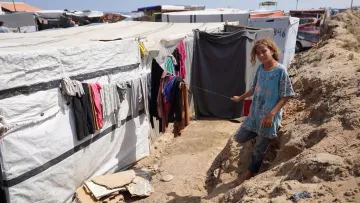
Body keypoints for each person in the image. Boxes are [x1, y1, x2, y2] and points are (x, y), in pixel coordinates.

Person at [231, 39, 295, 186]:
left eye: (264, 51)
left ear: (272, 50)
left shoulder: (280, 70)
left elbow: (286, 95)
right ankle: (262, 135)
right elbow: (254, 88)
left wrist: (272, 114)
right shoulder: (260, 69)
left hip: (269, 116)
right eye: (258, 53)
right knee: (240, 138)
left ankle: (250, 172)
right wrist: (240, 98)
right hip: (255, 114)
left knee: (259, 149)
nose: (261, 55)